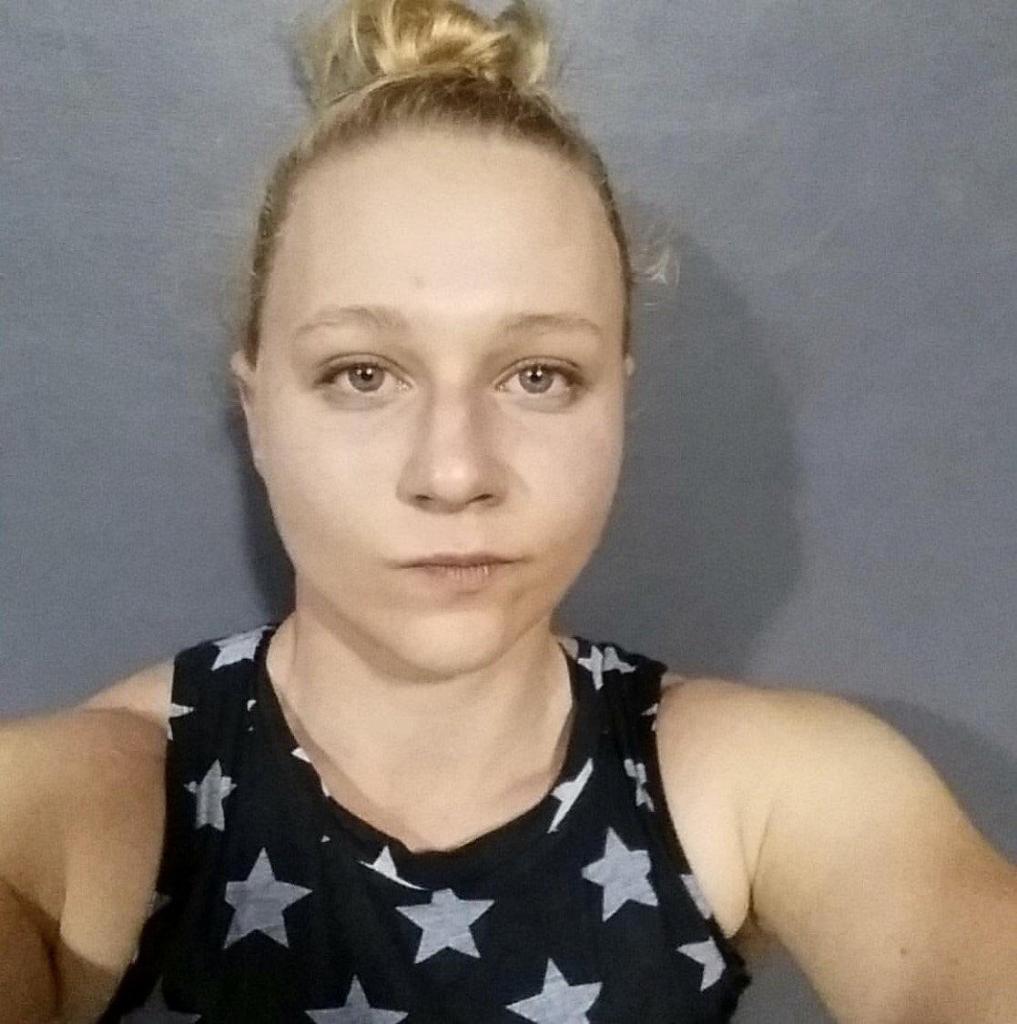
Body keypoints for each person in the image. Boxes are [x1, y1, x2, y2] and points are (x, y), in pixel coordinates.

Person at [2, 0, 1015, 1021]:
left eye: (539, 375)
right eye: (362, 373)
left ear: (618, 403)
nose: (453, 472)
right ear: (257, 411)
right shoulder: (95, 804)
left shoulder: (762, 790)